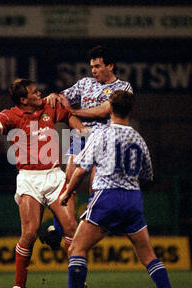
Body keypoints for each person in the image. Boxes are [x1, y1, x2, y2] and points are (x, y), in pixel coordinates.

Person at [0, 78, 87, 288]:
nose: (39, 94)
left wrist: (80, 130)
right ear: (23, 100)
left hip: (54, 175)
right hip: (29, 179)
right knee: (29, 232)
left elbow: (70, 115)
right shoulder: (10, 116)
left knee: (72, 228)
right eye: (34, 93)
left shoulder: (49, 106)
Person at [59, 91, 175, 288]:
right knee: (148, 256)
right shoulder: (139, 139)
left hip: (107, 198)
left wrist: (67, 193)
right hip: (133, 200)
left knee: (77, 248)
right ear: (130, 110)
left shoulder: (101, 134)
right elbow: (148, 174)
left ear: (110, 110)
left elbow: (81, 170)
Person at [41, 45, 134, 250]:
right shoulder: (84, 84)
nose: (93, 70)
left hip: (105, 141)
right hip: (81, 138)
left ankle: (87, 229)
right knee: (67, 184)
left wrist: (73, 110)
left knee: (96, 190)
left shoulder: (123, 88)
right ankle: (59, 229)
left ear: (110, 66)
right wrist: (54, 96)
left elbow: (104, 111)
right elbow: (62, 98)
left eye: (98, 66)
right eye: (92, 66)